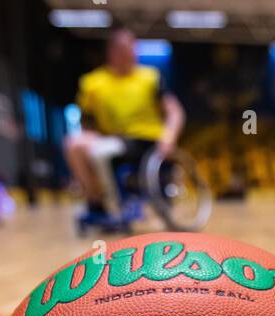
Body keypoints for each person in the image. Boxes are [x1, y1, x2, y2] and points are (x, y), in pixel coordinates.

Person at [64, 26, 185, 222]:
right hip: (112, 139)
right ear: (111, 52)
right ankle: (96, 202)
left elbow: (175, 111)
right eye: (124, 49)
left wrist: (169, 136)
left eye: (132, 48)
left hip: (147, 139)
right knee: (73, 145)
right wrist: (90, 134)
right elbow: (86, 120)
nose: (130, 53)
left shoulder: (150, 77)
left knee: (101, 151)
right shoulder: (93, 83)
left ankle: (126, 202)